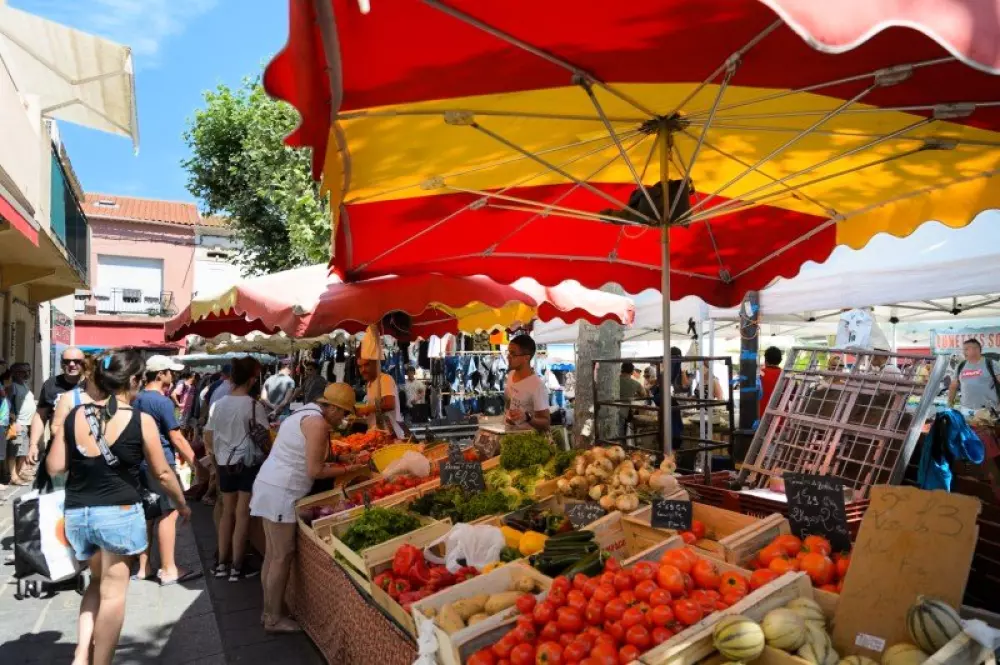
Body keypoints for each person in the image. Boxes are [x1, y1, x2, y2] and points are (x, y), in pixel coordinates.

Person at [46, 350, 189, 665]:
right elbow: (163, 473)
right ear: (135, 380)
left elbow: (55, 465)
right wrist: (182, 503)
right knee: (114, 594)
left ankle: (82, 652)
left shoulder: (74, 415)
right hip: (118, 514)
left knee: (95, 583)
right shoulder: (141, 420)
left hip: (78, 514)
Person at [250, 384, 367, 633]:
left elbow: (309, 455)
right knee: (281, 555)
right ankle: (273, 618)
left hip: (270, 485)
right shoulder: (317, 424)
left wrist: (342, 459)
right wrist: (352, 470)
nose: (344, 419)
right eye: (344, 413)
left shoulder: (304, 413)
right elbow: (315, 470)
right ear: (332, 408)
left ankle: (268, 611)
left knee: (272, 555)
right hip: (282, 491)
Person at [133, 355, 200, 585]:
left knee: (148, 515)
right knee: (167, 514)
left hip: (139, 463)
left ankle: (144, 567)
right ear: (160, 374)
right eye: (170, 371)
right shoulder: (162, 402)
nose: (173, 375)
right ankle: (169, 568)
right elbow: (176, 436)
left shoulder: (136, 398)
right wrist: (195, 462)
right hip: (160, 462)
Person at [205, 357, 269, 581]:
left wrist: (215, 459)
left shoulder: (218, 405)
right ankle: (237, 566)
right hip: (248, 464)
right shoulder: (254, 406)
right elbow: (265, 437)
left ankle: (222, 563)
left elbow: (209, 435)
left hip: (224, 463)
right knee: (242, 515)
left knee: (226, 513)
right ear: (252, 379)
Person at [27, 346, 86, 471]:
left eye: (76, 361)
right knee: (55, 488)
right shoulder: (51, 384)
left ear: (84, 363)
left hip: (87, 448)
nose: (71, 364)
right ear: (61, 363)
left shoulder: (92, 385)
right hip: (58, 446)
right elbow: (40, 415)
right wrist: (33, 444)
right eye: (67, 361)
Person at [503, 335, 550, 433]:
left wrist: (527, 418)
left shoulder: (537, 386)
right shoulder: (511, 375)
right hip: (509, 436)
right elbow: (509, 402)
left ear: (526, 358)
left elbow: (546, 423)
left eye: (513, 354)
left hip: (527, 441)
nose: (508, 356)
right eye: (508, 352)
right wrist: (508, 415)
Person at [357, 358, 404, 438]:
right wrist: (361, 409)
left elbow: (389, 404)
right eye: (360, 366)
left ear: (376, 364)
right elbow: (374, 405)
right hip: (377, 435)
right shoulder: (369, 384)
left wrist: (368, 409)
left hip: (391, 435)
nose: (363, 370)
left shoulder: (385, 379)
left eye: (366, 365)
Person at [948, 339, 1000, 411]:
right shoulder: (961, 366)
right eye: (964, 349)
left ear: (976, 350)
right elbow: (953, 386)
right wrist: (949, 404)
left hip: (988, 410)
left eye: (966, 349)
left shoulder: (991, 363)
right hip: (966, 409)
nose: (963, 352)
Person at [6, 362, 35, 485]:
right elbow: (9, 404)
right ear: (16, 372)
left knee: (23, 450)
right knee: (14, 450)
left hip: (26, 423)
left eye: (27, 371)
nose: (26, 373)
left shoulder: (24, 384)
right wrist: (14, 421)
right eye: (23, 371)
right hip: (18, 423)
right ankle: (13, 476)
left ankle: (19, 472)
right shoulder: (13, 386)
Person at [759, 346, 782, 418]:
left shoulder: (758, 375)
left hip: (761, 418)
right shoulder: (787, 376)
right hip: (780, 420)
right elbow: (793, 396)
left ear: (765, 359)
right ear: (780, 360)